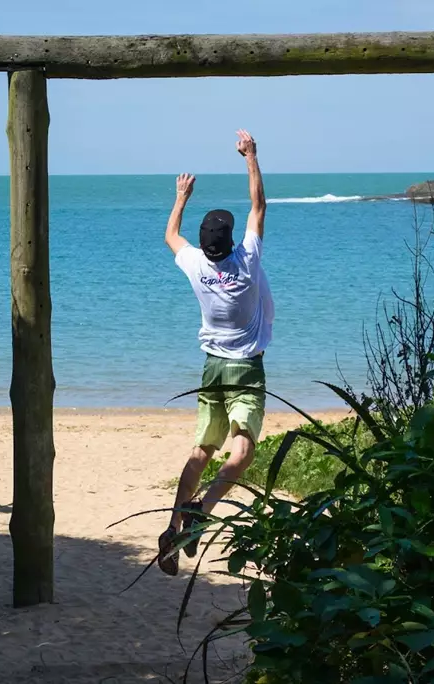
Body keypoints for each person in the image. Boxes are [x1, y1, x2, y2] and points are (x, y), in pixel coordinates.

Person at [158, 129, 273, 576]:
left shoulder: (195, 265)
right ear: (228, 242)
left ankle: (174, 526)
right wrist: (250, 157)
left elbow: (170, 235)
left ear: (206, 245)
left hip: (211, 370)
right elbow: (258, 206)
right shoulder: (246, 261)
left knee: (202, 450)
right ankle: (202, 509)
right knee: (242, 452)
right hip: (245, 370)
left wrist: (181, 197)